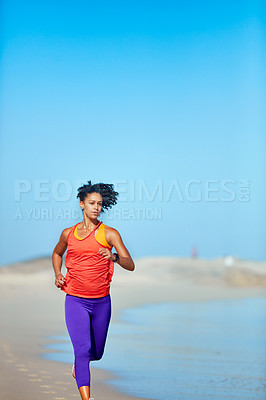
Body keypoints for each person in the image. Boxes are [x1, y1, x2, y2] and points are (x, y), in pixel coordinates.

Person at [52, 181, 135, 400]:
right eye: (91, 203)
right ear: (82, 204)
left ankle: (79, 366)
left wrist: (114, 257)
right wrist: (58, 274)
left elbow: (130, 263)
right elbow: (57, 253)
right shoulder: (68, 234)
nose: (96, 207)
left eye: (99, 204)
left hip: (101, 302)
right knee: (82, 349)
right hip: (75, 300)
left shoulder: (109, 234)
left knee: (95, 353)